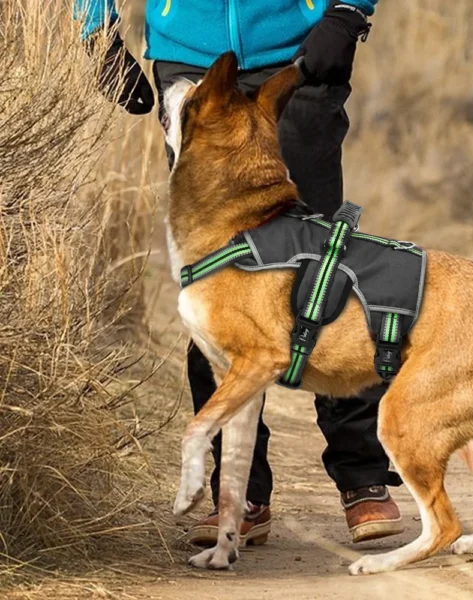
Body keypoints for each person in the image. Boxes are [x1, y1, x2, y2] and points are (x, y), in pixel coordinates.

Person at [74, 0, 404, 547]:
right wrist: (97, 33)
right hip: (191, 66)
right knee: (216, 284)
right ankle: (241, 492)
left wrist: (347, 13)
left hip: (297, 57)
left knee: (318, 272)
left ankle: (361, 475)